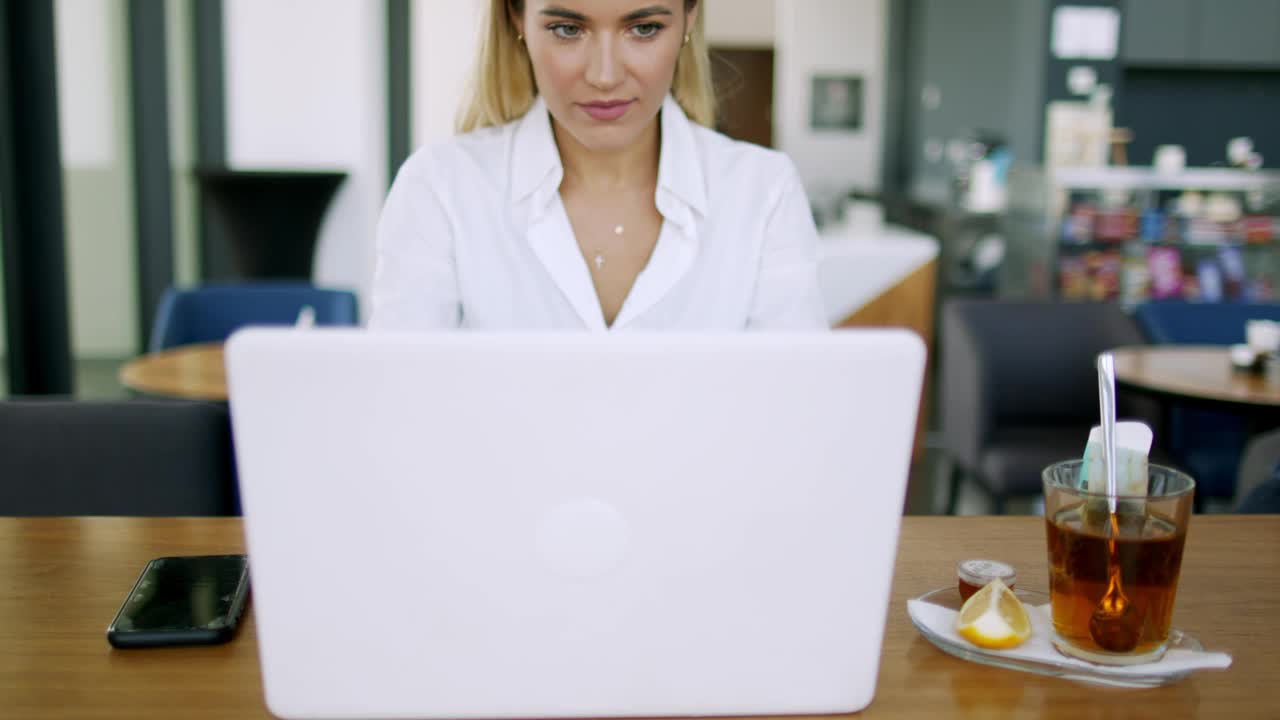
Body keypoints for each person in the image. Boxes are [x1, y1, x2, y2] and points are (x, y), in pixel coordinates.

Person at [370, 0, 826, 331]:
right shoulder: (440, 188)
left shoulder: (763, 192)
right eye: (568, 29)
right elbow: (403, 410)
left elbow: (791, 414)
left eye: (643, 28)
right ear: (517, 17)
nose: (604, 76)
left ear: (690, 16)